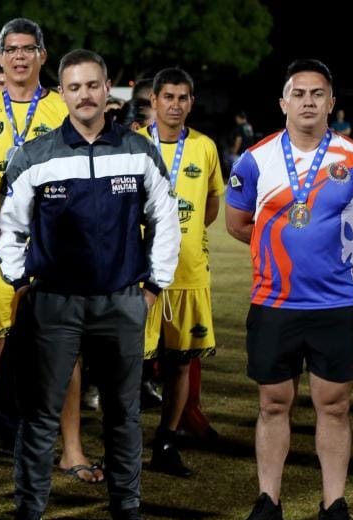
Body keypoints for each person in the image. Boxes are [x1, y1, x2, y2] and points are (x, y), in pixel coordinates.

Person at [0, 48, 180, 520]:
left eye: (93, 85)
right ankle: (27, 512)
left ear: (107, 90)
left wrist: (154, 284)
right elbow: (7, 226)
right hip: (55, 302)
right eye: (74, 87)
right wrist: (22, 282)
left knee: (123, 412)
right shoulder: (36, 154)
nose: (84, 95)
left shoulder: (138, 149)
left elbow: (165, 217)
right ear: (62, 94)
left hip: (121, 300)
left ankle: (127, 509)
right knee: (40, 413)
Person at [226, 59, 353, 520]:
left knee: (333, 406)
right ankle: (268, 501)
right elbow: (236, 224)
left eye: (318, 94)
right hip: (274, 302)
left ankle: (333, 506)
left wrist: (326, 257)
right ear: (283, 102)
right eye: (300, 93)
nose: (309, 102)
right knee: (274, 402)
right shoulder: (255, 160)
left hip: (334, 303)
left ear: (331, 103)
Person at [0, 18, 102, 486]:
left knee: (67, 349)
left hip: (55, 243)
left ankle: (72, 448)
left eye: (29, 49)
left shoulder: (64, 106)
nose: (19, 57)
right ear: (0, 58)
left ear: (42, 55)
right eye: (11, 49)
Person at [140, 67, 225, 478]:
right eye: (168, 96)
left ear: (192, 102)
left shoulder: (205, 147)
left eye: (183, 97)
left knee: (179, 363)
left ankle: (166, 442)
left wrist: (184, 237)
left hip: (188, 273)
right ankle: (118, 444)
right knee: (126, 363)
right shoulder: (133, 143)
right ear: (153, 101)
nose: (175, 104)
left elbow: (211, 202)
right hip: (139, 274)